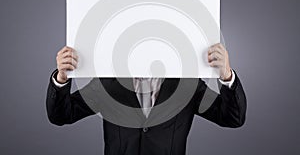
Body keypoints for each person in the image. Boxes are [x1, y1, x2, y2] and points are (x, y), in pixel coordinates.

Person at [46, 43, 247, 155]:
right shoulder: (108, 83)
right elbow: (62, 115)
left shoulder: (186, 85)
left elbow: (231, 118)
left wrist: (226, 75)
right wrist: (62, 77)